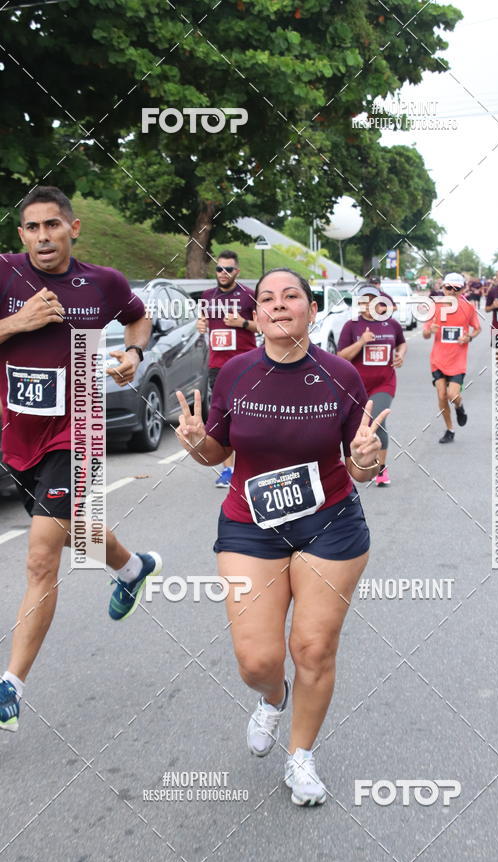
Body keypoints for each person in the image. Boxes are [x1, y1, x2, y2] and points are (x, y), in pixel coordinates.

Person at [176, 268, 388, 806]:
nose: (277, 305)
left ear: (312, 310)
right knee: (257, 661)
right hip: (251, 525)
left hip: (331, 523)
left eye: (290, 296)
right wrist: (197, 442)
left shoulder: (341, 374)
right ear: (256, 314)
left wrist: (366, 460)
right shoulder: (236, 374)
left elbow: (361, 463)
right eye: (266, 298)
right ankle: (273, 698)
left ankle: (300, 756)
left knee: (313, 647)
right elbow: (215, 455)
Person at [0, 186, 161, 733]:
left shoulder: (103, 282)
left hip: (79, 430)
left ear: (74, 228)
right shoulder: (4, 276)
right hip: (15, 436)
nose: (43, 237)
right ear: (20, 235)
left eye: (52, 225)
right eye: (32, 228)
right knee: (82, 533)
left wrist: (133, 354)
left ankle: (10, 686)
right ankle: (132, 566)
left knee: (42, 555)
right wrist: (17, 323)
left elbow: (140, 319)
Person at [196, 250, 257, 488]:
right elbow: (203, 322)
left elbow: (262, 326)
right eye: (219, 269)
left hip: (245, 364)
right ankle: (228, 470)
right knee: (223, 417)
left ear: (237, 271)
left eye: (228, 269)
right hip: (218, 366)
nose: (223, 273)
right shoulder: (207, 296)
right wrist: (200, 324)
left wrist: (241, 323)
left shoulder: (248, 296)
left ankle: (250, 465)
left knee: (248, 416)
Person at [337, 284, 406, 486]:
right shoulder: (351, 325)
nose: (368, 304)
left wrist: (400, 355)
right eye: (363, 300)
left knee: (378, 421)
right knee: (355, 426)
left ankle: (381, 469)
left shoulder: (391, 324)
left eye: (372, 299)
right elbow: (342, 356)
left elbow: (402, 343)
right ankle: (355, 463)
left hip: (384, 383)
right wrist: (361, 342)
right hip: (357, 386)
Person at [423, 272, 481, 444]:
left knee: (452, 395)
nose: (452, 291)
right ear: (443, 288)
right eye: (449, 288)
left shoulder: (468, 307)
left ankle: (459, 406)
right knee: (442, 395)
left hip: (458, 360)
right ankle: (450, 429)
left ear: (462, 289)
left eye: (456, 288)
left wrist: (469, 337)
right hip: (438, 360)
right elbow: (425, 334)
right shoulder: (435, 307)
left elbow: (477, 328)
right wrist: (429, 331)